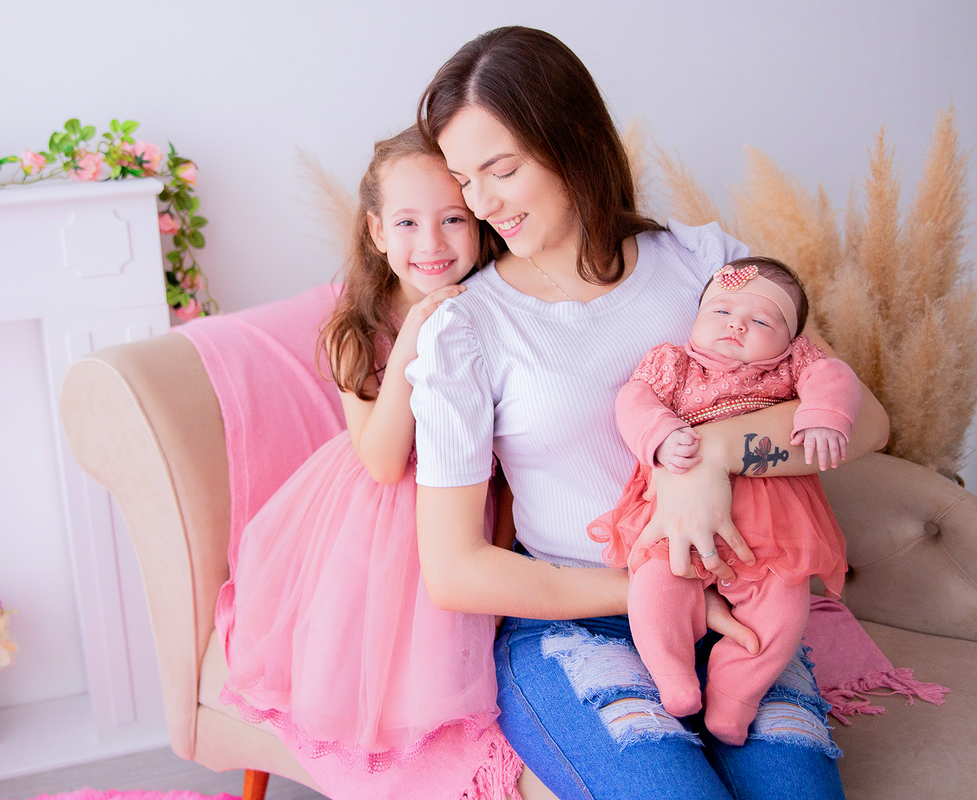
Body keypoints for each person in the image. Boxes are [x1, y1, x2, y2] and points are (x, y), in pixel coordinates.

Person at [407, 26, 888, 800]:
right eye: (466, 179)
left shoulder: (703, 264)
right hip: (576, 621)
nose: (483, 202)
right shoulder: (467, 327)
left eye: (503, 169)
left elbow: (862, 424)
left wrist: (709, 455)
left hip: (743, 603)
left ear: (572, 142)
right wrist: (662, 591)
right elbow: (454, 569)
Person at [215, 127, 522, 800]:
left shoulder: (503, 305)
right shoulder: (357, 329)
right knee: (396, 652)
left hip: (480, 501)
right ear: (378, 231)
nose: (433, 243)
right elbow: (382, 460)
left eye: (453, 219)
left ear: (480, 222)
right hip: (380, 516)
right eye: (409, 222)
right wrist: (415, 336)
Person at [587, 256, 861, 746]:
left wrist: (823, 415)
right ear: (694, 319)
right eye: (721, 311)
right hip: (677, 501)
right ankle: (673, 677)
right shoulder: (673, 362)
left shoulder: (796, 364)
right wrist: (660, 433)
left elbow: (835, 377)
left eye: (760, 320)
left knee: (781, 613)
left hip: (771, 519)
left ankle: (735, 697)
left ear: (790, 339)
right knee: (655, 585)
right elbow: (634, 401)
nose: (737, 324)